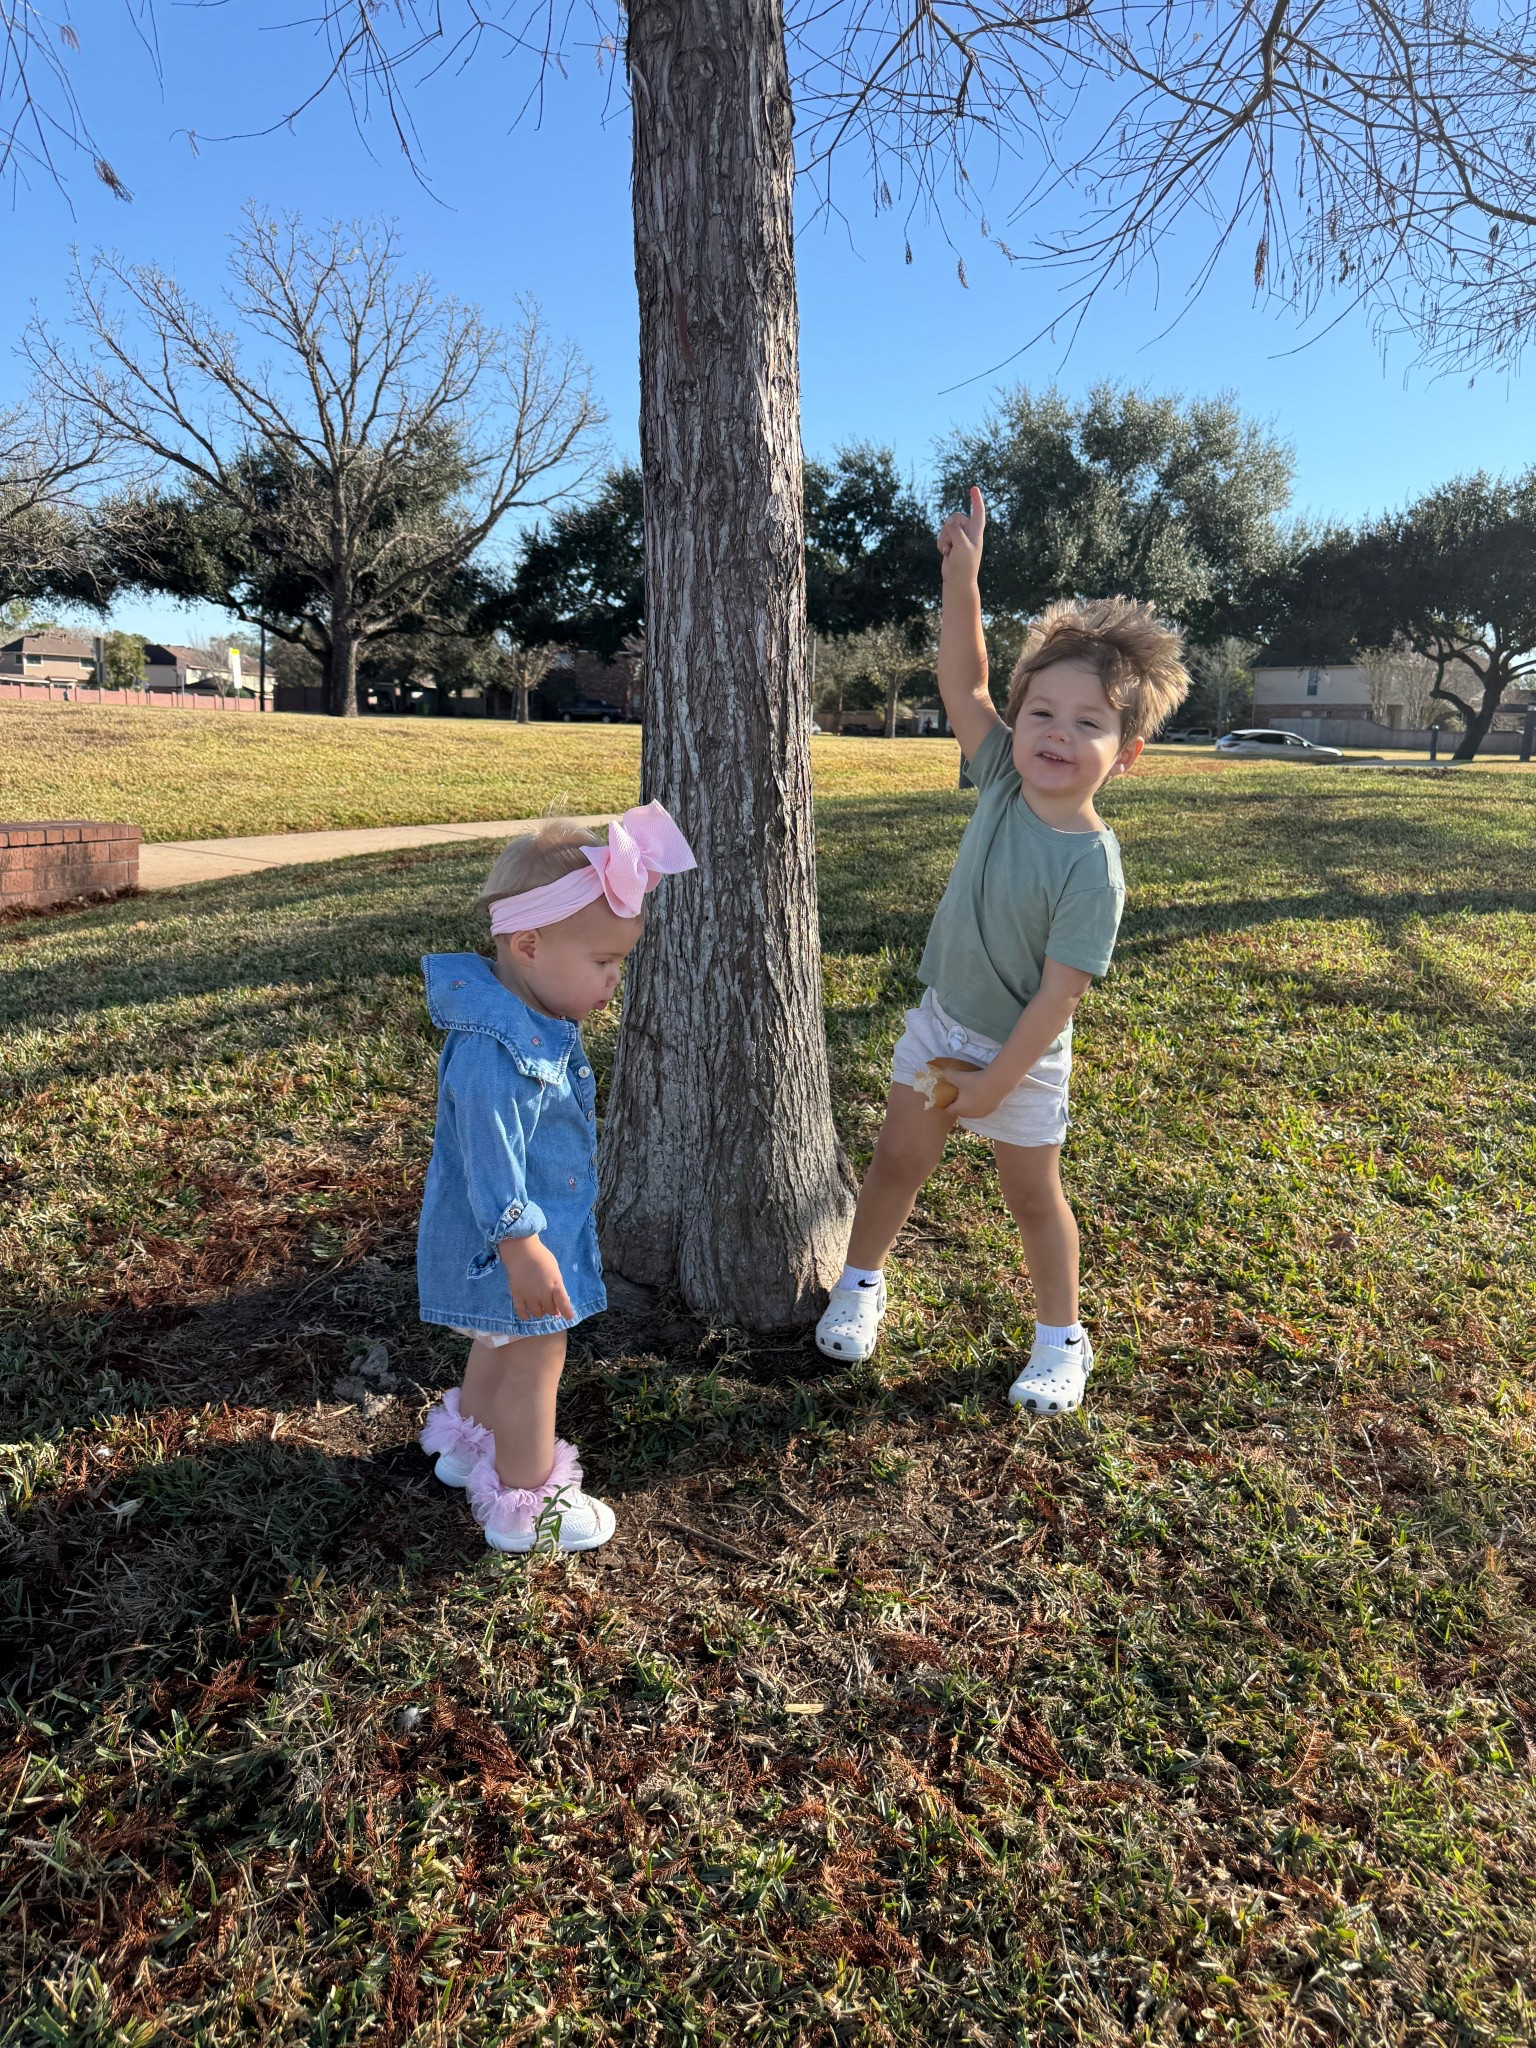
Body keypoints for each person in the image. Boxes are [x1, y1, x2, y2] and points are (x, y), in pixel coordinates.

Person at [815, 488, 1188, 1414]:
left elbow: (1060, 997)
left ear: (1127, 753)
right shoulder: (998, 780)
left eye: (1089, 723)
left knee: (1033, 1200)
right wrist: (964, 577)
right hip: (942, 1020)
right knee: (896, 1161)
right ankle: (861, 1282)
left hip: (1024, 1054)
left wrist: (993, 1083)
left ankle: (1063, 1339)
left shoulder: (1093, 868)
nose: (1058, 734)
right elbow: (963, 682)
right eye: (1043, 714)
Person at [417, 803, 696, 1552]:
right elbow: (489, 1152)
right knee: (538, 1357)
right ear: (530, 946)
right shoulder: (495, 1049)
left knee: (501, 1345)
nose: (614, 981)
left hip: (508, 1246)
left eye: (619, 964)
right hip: (511, 1244)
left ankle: (466, 1445)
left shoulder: (520, 1020)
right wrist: (522, 1243)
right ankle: (526, 1499)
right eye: (603, 963)